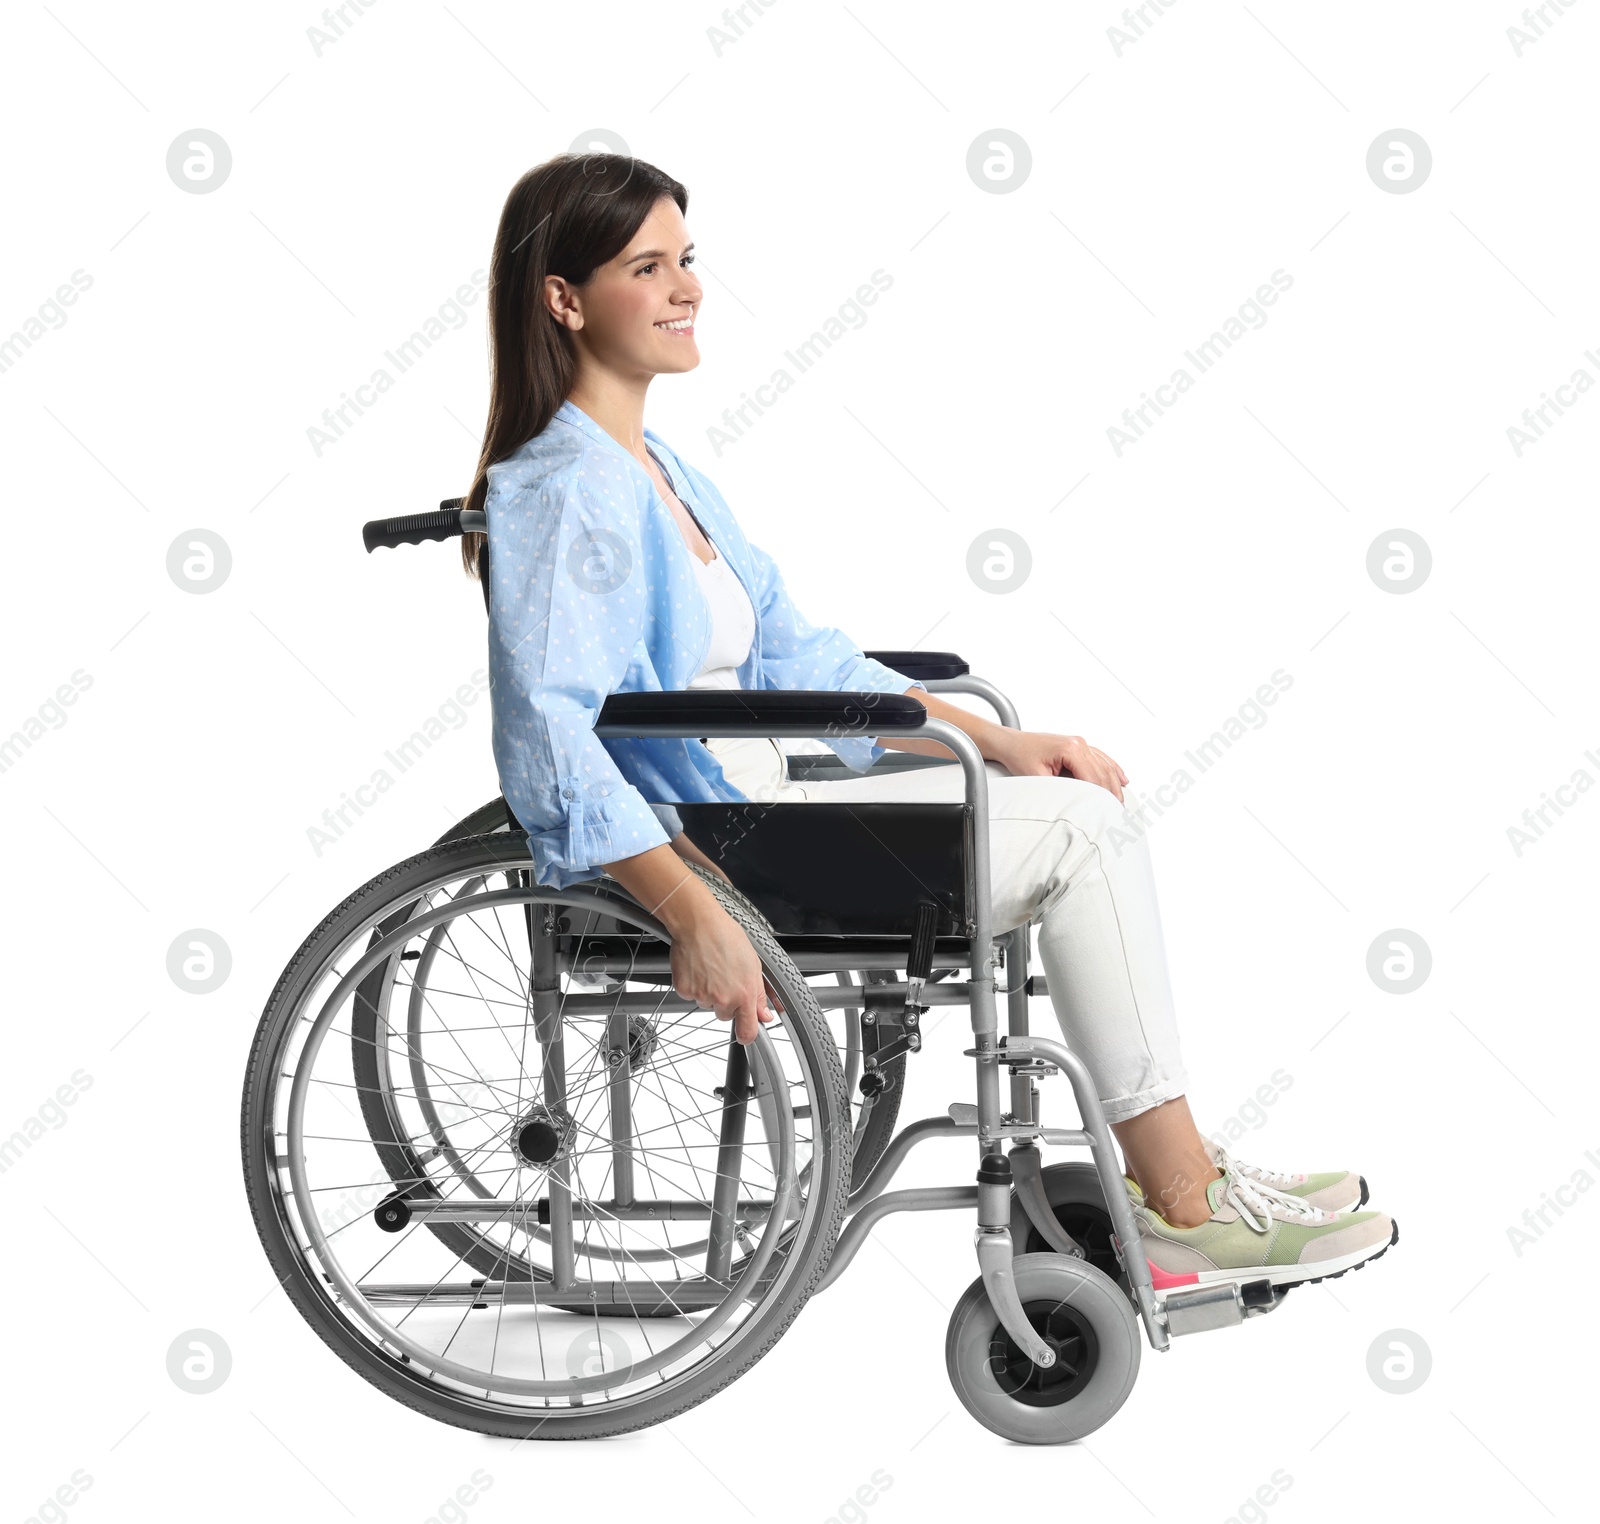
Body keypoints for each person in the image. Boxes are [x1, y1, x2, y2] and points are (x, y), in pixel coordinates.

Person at [462, 151, 1398, 1294]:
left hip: (750, 809)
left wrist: (988, 736)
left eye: (687, 260)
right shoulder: (566, 487)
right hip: (700, 846)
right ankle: (1183, 1199)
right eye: (645, 267)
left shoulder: (657, 468)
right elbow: (548, 738)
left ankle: (1181, 1169)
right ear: (564, 298)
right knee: (1077, 836)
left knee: (1061, 799)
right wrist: (686, 906)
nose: (686, 288)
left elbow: (797, 652)